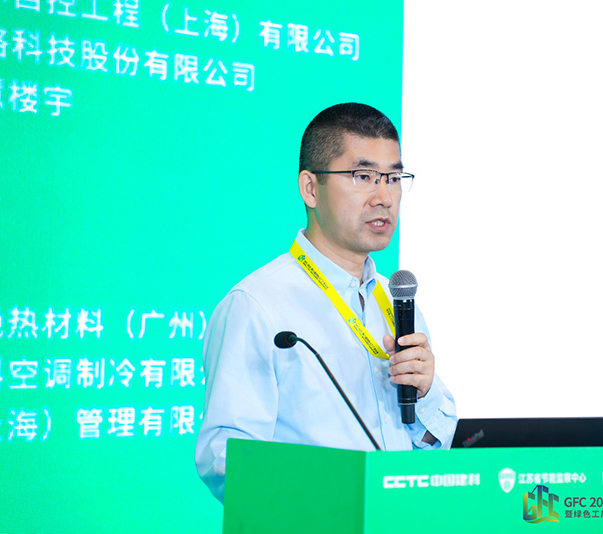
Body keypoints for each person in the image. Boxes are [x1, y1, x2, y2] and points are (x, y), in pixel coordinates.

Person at [195, 103, 457, 503]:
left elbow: (432, 449)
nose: (384, 197)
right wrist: (330, 496)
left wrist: (424, 393)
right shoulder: (258, 305)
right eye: (363, 176)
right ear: (311, 188)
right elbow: (224, 461)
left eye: (394, 178)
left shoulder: (397, 301)